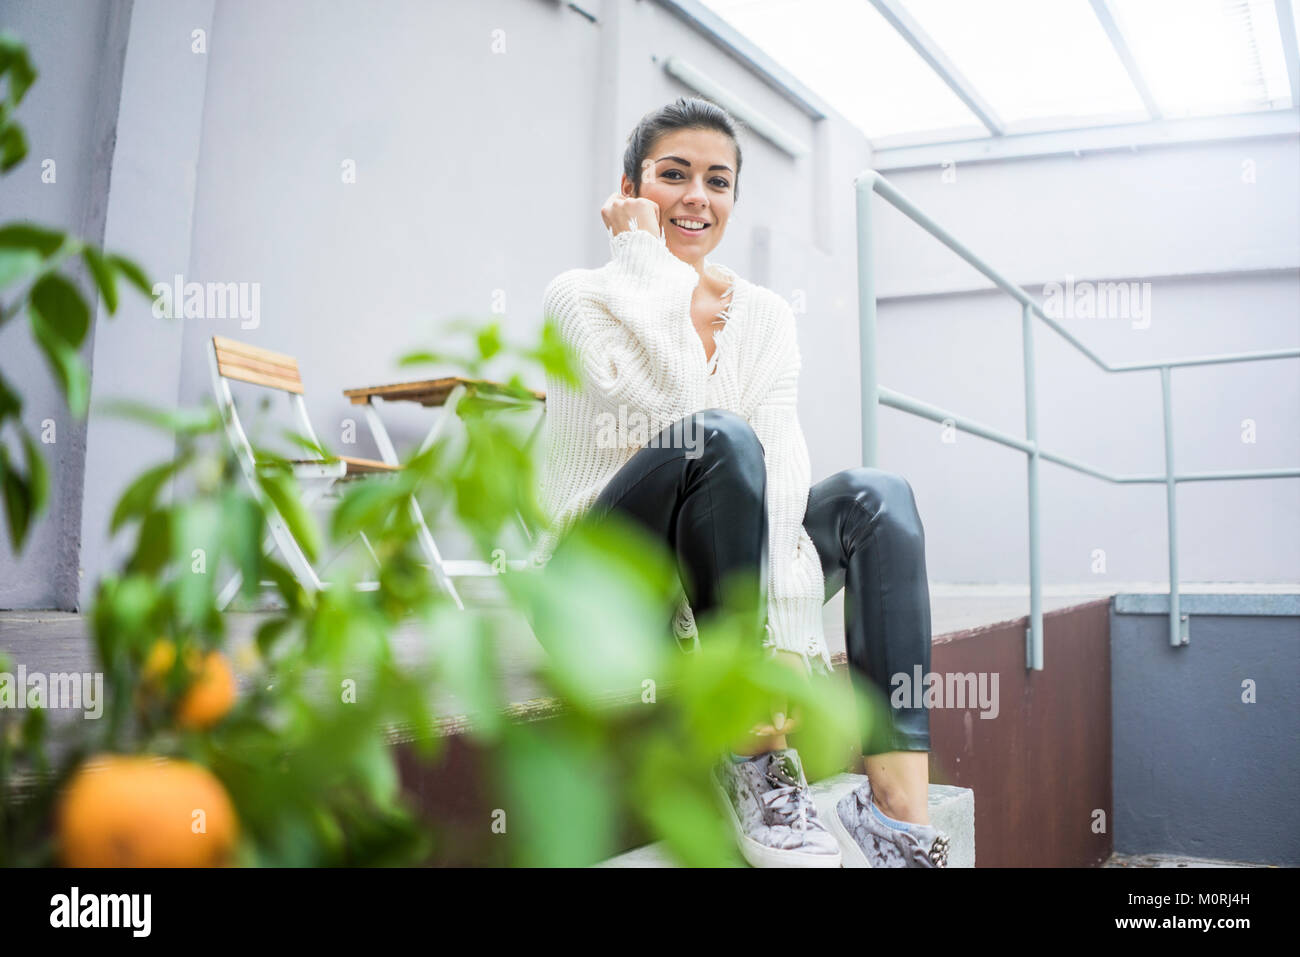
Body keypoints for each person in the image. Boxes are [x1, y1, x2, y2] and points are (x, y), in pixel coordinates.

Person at [529, 96, 949, 868]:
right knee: (713, 435)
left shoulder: (762, 314)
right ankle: (749, 750)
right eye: (673, 174)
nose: (697, 195)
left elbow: (778, 472)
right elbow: (676, 418)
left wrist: (787, 637)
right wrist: (653, 270)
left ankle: (896, 812)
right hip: (602, 589)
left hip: (721, 577)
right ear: (629, 189)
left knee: (874, 497)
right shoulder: (578, 297)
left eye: (717, 181)